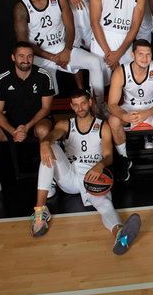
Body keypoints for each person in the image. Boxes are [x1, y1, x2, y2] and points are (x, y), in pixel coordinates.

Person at [33, 89, 141, 255]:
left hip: (92, 177)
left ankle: (120, 235)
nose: (80, 108)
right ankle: (40, 211)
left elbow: (109, 156)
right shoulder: (65, 124)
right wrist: (45, 142)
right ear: (71, 106)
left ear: (90, 103)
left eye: (83, 103)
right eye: (76, 105)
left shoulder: (103, 126)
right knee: (50, 146)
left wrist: (100, 165)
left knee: (105, 204)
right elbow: (53, 135)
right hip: (69, 176)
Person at [14, 0, 105, 111]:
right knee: (46, 95)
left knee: (95, 62)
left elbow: (70, 27)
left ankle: (98, 106)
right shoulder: (21, 7)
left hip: (62, 49)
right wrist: (52, 57)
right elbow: (23, 44)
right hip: (40, 57)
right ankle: (45, 117)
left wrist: (67, 50)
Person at [0, 42, 54, 206]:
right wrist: (13, 131)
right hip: (11, 124)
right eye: (21, 56)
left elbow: (46, 108)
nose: (26, 60)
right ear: (13, 58)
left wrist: (27, 126)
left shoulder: (44, 76)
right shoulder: (3, 79)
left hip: (36, 122)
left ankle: (49, 180)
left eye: (29, 56)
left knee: (44, 131)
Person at [107, 39, 153, 181]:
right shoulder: (121, 72)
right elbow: (112, 104)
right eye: (140, 54)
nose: (145, 58)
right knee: (113, 119)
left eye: (148, 54)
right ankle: (124, 159)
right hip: (130, 107)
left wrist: (147, 113)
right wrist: (124, 116)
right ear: (133, 55)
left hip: (152, 107)